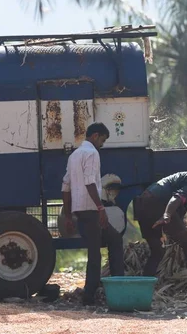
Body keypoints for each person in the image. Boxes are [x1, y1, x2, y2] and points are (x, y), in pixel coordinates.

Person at [61, 123, 124, 306]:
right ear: (95, 136)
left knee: (112, 240)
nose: (102, 144)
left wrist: (67, 215)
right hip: (91, 209)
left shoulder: (74, 156)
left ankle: (109, 287)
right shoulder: (92, 153)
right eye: (102, 140)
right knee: (95, 253)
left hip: (81, 210)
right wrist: (101, 208)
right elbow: (90, 182)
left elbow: (66, 187)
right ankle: (93, 296)